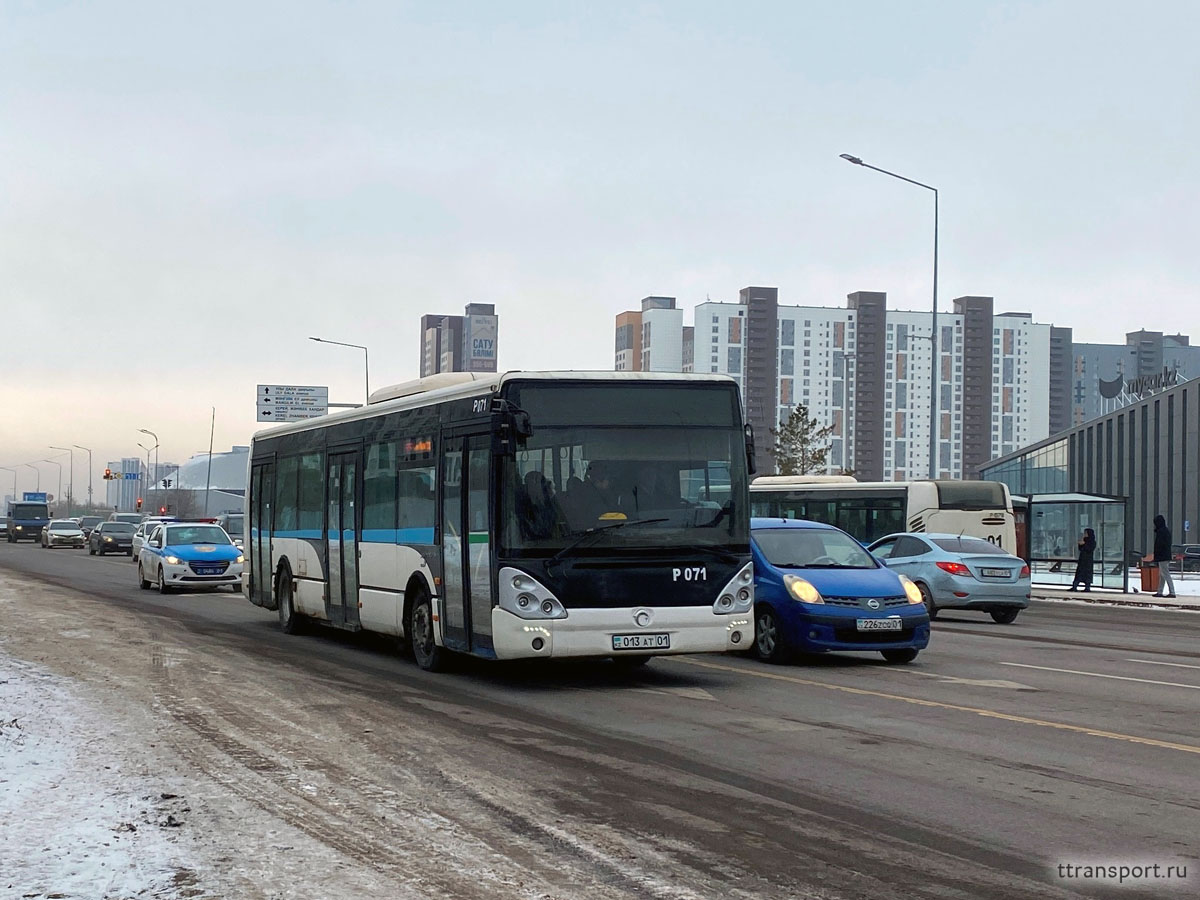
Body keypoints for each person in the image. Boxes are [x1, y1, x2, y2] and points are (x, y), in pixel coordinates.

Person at [1146, 514, 1177, 598]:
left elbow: (1159, 545)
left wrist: (1156, 555)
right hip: (1165, 555)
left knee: (1165, 574)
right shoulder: (1165, 531)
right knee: (1162, 574)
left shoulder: (1161, 532)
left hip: (1162, 556)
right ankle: (1160, 591)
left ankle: (1172, 592)